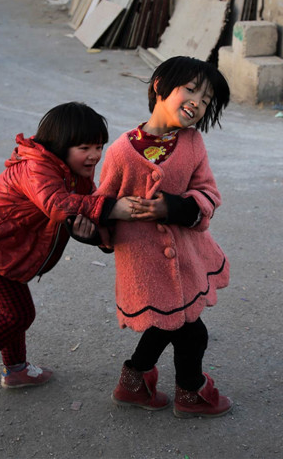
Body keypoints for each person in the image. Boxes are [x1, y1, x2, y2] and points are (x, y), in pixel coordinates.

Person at [0, 102, 137, 415]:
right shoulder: (35, 167)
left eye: (99, 146)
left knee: (15, 310)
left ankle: (15, 370)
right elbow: (58, 205)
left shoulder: (77, 175)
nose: (95, 155)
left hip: (11, 248)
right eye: (85, 147)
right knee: (17, 314)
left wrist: (99, 237)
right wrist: (114, 208)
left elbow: (88, 209)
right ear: (60, 146)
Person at [93, 56, 233, 418]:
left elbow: (208, 193)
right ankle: (190, 392)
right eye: (190, 90)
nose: (197, 103)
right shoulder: (122, 152)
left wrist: (171, 208)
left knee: (166, 325)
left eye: (205, 100)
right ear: (159, 86)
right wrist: (105, 218)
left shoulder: (193, 144)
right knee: (191, 333)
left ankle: (133, 381)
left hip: (186, 258)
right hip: (144, 264)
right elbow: (100, 205)